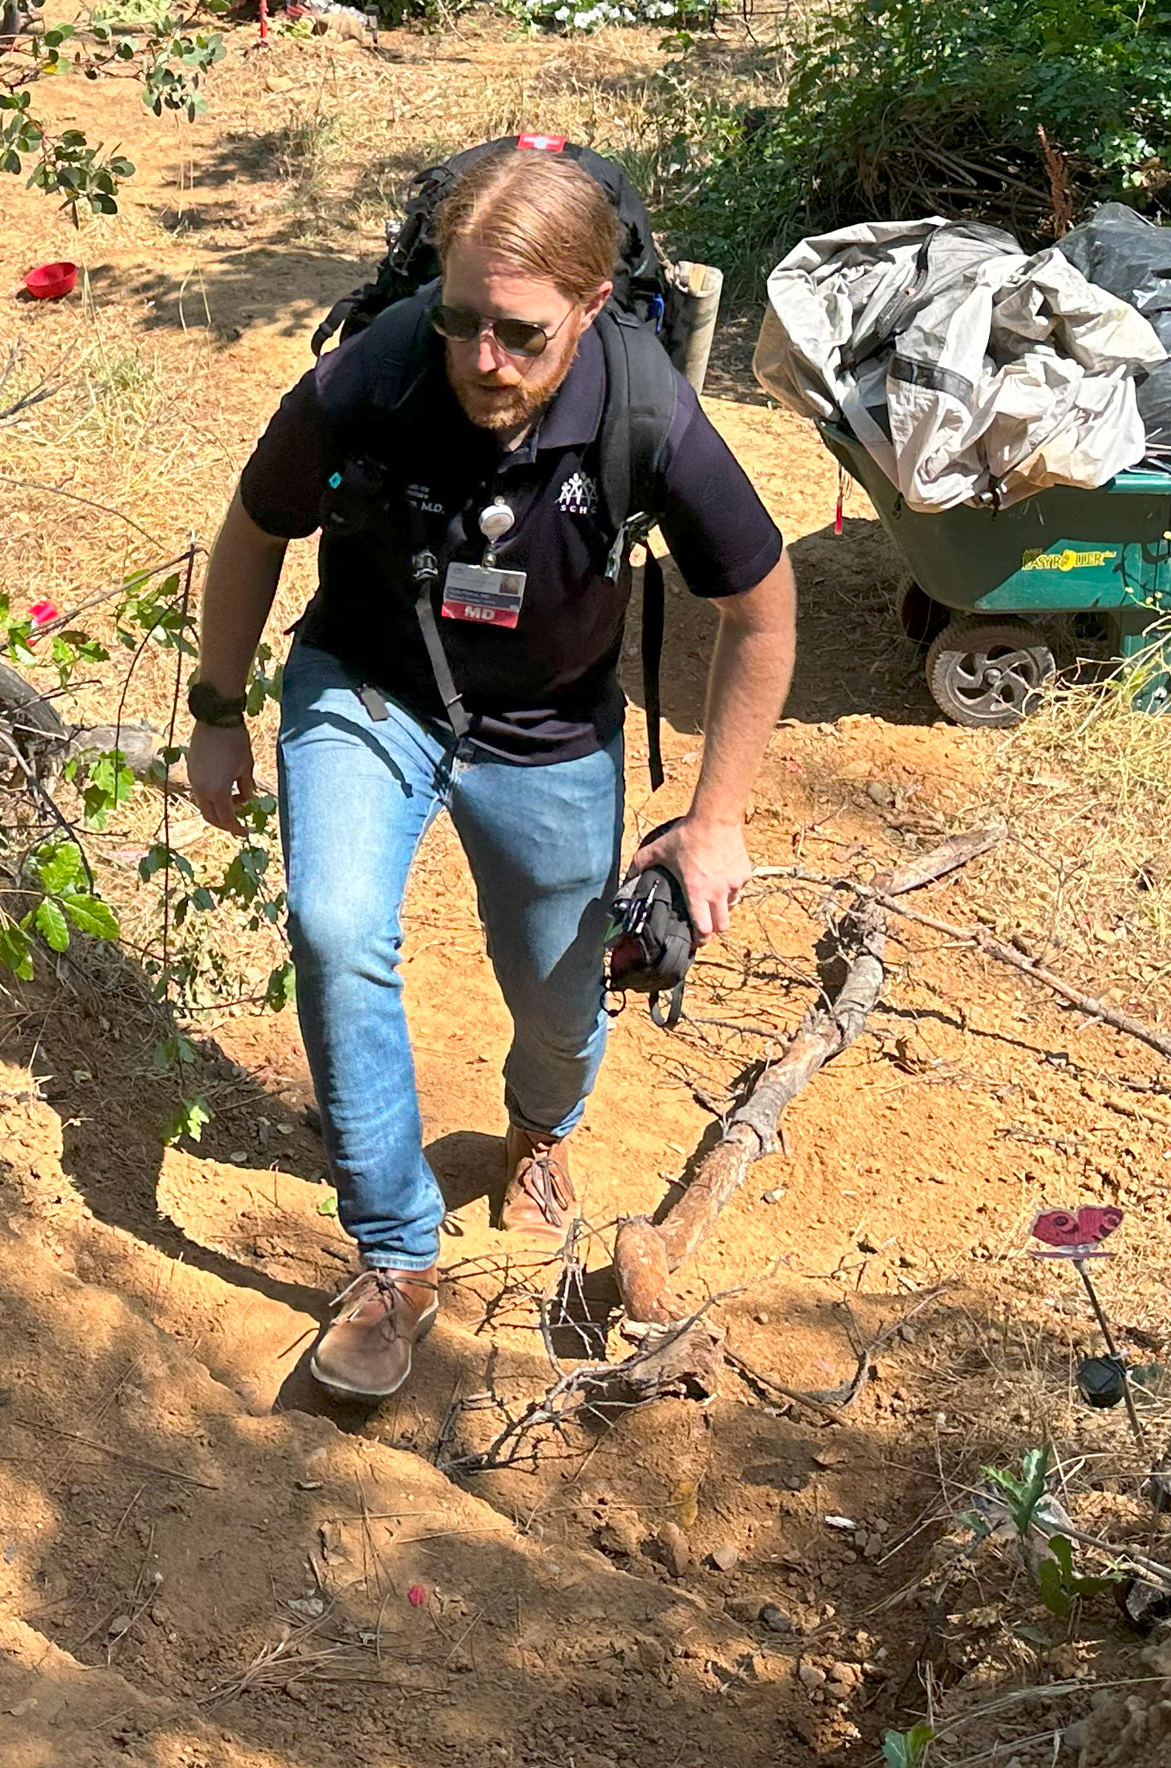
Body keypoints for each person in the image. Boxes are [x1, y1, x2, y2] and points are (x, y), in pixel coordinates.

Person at [183, 145, 798, 1402]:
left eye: (520, 333)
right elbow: (254, 526)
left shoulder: (642, 404)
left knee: (560, 997)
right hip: (371, 685)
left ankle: (538, 1131)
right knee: (337, 921)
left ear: (590, 304)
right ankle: (396, 1255)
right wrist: (218, 710)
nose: (482, 361)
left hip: (556, 732)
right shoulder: (380, 366)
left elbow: (765, 604)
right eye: (461, 320)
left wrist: (716, 818)